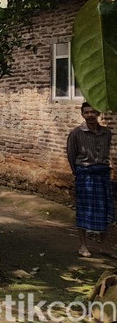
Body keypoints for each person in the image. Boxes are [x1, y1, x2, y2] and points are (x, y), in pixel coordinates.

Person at [67, 102, 114, 258]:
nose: (90, 115)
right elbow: (71, 155)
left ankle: (104, 247)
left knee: (105, 211)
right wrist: (78, 173)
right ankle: (83, 245)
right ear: (82, 115)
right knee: (84, 211)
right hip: (85, 175)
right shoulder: (76, 133)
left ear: (98, 114)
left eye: (93, 112)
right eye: (87, 112)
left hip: (103, 175)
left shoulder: (107, 133)